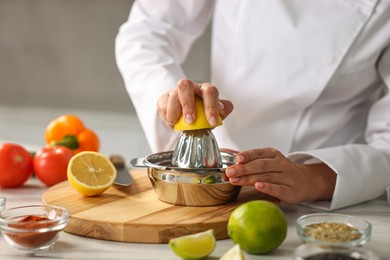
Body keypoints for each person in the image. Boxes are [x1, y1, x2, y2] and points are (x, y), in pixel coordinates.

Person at [115, 1, 390, 210]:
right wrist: (171, 95)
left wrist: (313, 179)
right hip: (219, 173)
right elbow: (147, 33)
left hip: (329, 193)